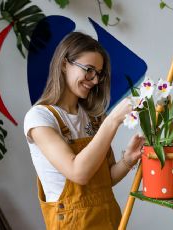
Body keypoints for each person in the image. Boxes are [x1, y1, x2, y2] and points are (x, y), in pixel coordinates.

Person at [24, 32, 145, 229]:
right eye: (89, 70)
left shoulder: (94, 118)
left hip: (108, 218)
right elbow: (78, 173)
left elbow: (106, 179)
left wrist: (128, 160)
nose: (95, 80)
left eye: (99, 73)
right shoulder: (39, 118)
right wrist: (113, 120)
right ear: (64, 64)